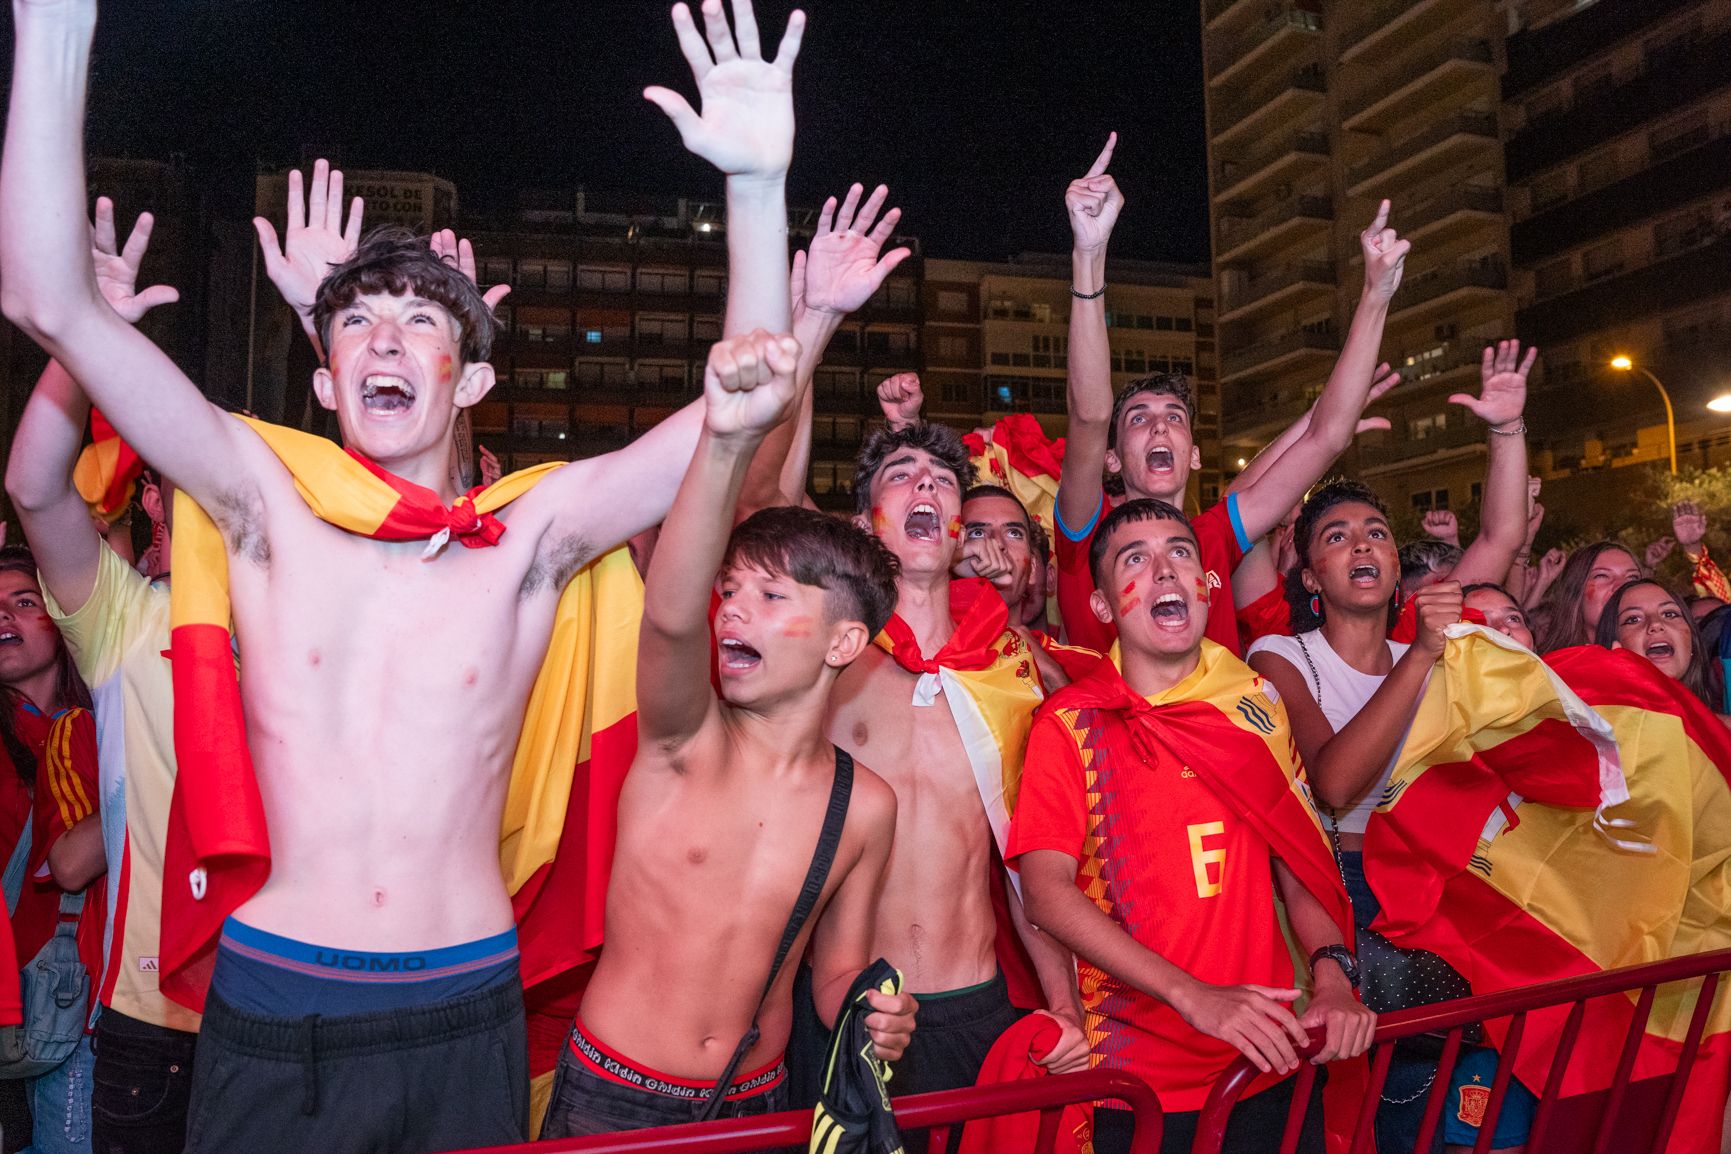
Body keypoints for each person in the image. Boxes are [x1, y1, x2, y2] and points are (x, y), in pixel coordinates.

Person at [0, 0, 802, 1147]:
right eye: (357, 322)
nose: (384, 338)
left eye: (420, 318)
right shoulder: (259, 498)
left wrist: (758, 189)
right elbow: (45, 297)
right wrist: (56, 31)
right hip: (281, 995)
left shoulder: (533, 534)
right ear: (323, 380)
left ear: (469, 379)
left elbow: (749, 401)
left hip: (465, 997)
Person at [540, 330, 917, 1137]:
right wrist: (724, 436)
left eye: (772, 596)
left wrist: (874, 1009)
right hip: (614, 1097)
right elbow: (672, 617)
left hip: (756, 1108)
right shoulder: (683, 741)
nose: (735, 610)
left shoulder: (866, 806)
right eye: (731, 590)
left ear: (843, 643)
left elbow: (835, 968)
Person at [1011, 499, 1371, 1154]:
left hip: (1268, 1061)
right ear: (1100, 606)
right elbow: (1045, 893)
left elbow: (1298, 860)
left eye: (1180, 553)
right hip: (1136, 1086)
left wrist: (1330, 976)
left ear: (1207, 585)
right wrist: (1193, 996)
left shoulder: (1252, 701)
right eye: (1134, 560)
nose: (1165, 572)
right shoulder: (1069, 724)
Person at [805, 420, 1090, 1131]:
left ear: (960, 526)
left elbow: (1030, 864)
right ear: (860, 522)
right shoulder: (824, 666)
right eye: (899, 473)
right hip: (848, 1010)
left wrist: (1062, 1004)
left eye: (940, 476)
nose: (925, 482)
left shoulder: (1010, 676)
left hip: (978, 1011)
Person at [3, 198, 201, 1154]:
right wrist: (85, 344)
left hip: (291, 1013)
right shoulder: (131, 621)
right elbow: (37, 487)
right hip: (149, 1021)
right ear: (157, 500)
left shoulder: (306, 617)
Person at [1055, 133, 1407, 656]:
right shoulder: (1086, 532)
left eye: (1175, 417)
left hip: (1215, 738)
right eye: (1138, 419)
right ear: (1110, 457)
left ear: (1194, 453)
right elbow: (1088, 413)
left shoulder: (1213, 536)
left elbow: (1327, 436)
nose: (1159, 426)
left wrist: (1375, 297)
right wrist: (1090, 252)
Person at [0, 550, 105, 1154]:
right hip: (49, 1001)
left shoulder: (84, 724)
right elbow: (68, 862)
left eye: (25, 600)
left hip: (58, 1001)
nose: (4, 615)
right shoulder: (69, 734)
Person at [1595, 578, 1722, 716]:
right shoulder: (1593, 727)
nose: (1655, 624)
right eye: (1633, 619)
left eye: (1669, 614)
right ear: (1613, 645)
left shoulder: (1723, 732)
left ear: (1692, 643)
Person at [1534, 542, 1643, 653]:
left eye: (1632, 577)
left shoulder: (1657, 661)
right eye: (1602, 575)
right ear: (1575, 594)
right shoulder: (1548, 668)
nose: (1622, 586)